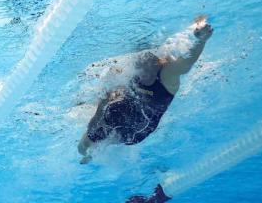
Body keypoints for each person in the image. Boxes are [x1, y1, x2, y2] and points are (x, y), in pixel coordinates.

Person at [78, 16, 214, 162]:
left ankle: (105, 145)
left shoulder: (167, 76)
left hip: (137, 132)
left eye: (146, 67)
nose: (141, 71)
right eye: (139, 65)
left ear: (158, 64)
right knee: (83, 147)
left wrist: (201, 40)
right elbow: (105, 98)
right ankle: (92, 153)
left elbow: (186, 63)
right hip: (120, 113)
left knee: (112, 117)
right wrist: (100, 110)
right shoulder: (132, 70)